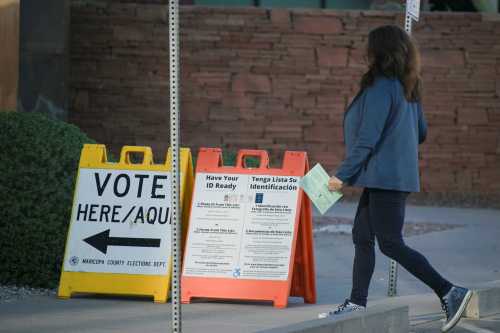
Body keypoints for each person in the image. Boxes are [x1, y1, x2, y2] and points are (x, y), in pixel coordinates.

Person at [321, 25, 472, 333]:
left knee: (390, 243)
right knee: (362, 236)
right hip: (387, 178)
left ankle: (450, 291)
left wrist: (341, 176)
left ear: (378, 51)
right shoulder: (408, 87)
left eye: (369, 48)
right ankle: (356, 303)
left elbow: (367, 139)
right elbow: (422, 133)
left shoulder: (380, 86)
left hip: (385, 179)